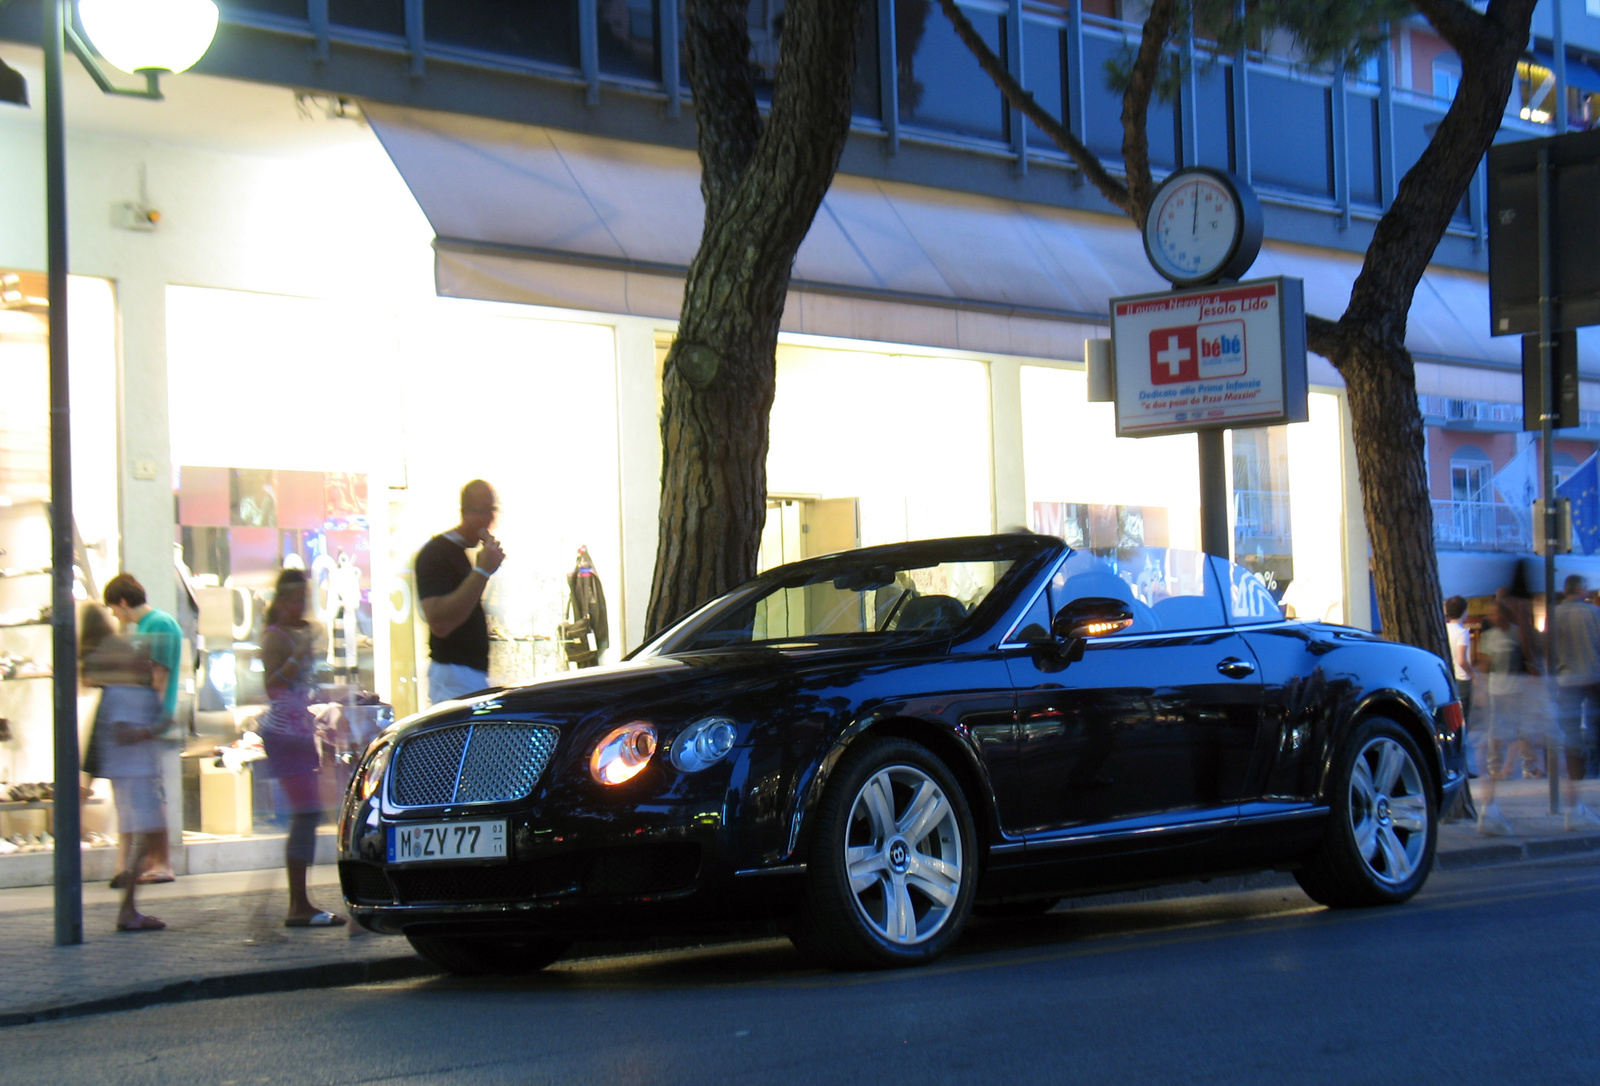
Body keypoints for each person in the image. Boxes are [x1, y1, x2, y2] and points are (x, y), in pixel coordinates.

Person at [259, 568, 346, 927]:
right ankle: (298, 903)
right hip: (285, 733)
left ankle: (301, 901)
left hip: (300, 730)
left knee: (308, 815)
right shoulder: (276, 637)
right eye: (295, 600)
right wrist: (297, 654)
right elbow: (272, 685)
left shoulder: (298, 632)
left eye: (303, 600)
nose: (300, 607)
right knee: (305, 814)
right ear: (281, 602)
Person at [80, 603, 166, 932]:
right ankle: (128, 909)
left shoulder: (122, 690)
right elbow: (123, 733)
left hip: (134, 770)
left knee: (147, 836)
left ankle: (129, 906)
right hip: (134, 771)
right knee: (147, 836)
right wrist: (152, 729)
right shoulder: (123, 692)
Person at [102, 572, 182, 885]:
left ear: (122, 602)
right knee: (145, 796)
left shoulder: (158, 624)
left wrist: (148, 723)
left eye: (114, 609)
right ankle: (153, 861)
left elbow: (158, 676)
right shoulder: (147, 627)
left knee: (151, 795)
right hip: (143, 721)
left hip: (149, 721)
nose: (116, 616)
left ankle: (161, 861)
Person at [415, 479, 504, 703]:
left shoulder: (461, 553)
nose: (489, 519)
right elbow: (440, 623)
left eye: (492, 510)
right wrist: (482, 571)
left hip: (466, 674)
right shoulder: (436, 554)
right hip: (453, 675)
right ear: (465, 512)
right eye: (483, 510)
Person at [1476, 599, 1547, 835]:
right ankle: (1497, 767)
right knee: (1497, 731)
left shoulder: (1518, 634)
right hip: (1498, 689)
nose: (1495, 618)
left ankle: (1526, 766)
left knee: (1520, 730)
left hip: (1516, 688)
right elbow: (1485, 664)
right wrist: (1482, 688)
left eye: (1497, 614)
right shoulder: (1490, 637)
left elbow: (1529, 660)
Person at [1551, 575, 1600, 830]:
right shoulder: (1593, 613)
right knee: (1594, 727)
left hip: (1566, 679)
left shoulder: (1554, 614)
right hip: (1593, 677)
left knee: (1570, 734)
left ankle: (1574, 791)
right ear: (1580, 589)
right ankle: (1590, 770)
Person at [1444, 596, 1474, 768]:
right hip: (1462, 680)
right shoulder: (1462, 632)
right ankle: (1462, 764)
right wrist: (1474, 675)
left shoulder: (1444, 630)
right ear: (1464, 611)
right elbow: (1462, 659)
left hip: (1449, 677)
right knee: (1463, 723)